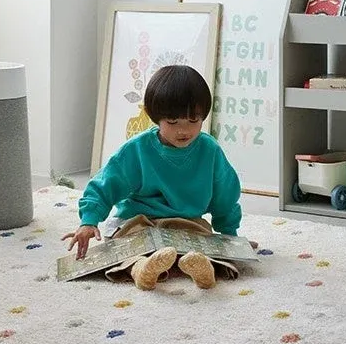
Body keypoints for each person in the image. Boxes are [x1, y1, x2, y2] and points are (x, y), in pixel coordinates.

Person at [61, 64, 243, 290]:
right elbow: (106, 184)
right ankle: (141, 269)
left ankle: (203, 268)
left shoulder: (210, 151)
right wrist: (89, 220)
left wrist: (230, 236)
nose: (183, 131)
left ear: (204, 115)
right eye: (173, 122)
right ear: (153, 116)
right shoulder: (137, 149)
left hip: (186, 222)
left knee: (202, 242)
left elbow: (225, 196)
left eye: (193, 121)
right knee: (128, 246)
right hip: (140, 220)